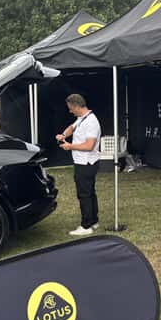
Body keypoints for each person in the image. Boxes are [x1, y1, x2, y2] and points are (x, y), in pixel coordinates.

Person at [56, 94, 102, 236]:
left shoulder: (91, 122)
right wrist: (63, 135)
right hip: (83, 162)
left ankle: (86, 225)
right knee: (89, 192)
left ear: (77, 106)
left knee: (84, 194)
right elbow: (72, 127)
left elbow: (89, 145)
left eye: (71, 109)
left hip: (86, 162)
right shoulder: (82, 118)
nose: (70, 111)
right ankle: (93, 220)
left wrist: (70, 146)